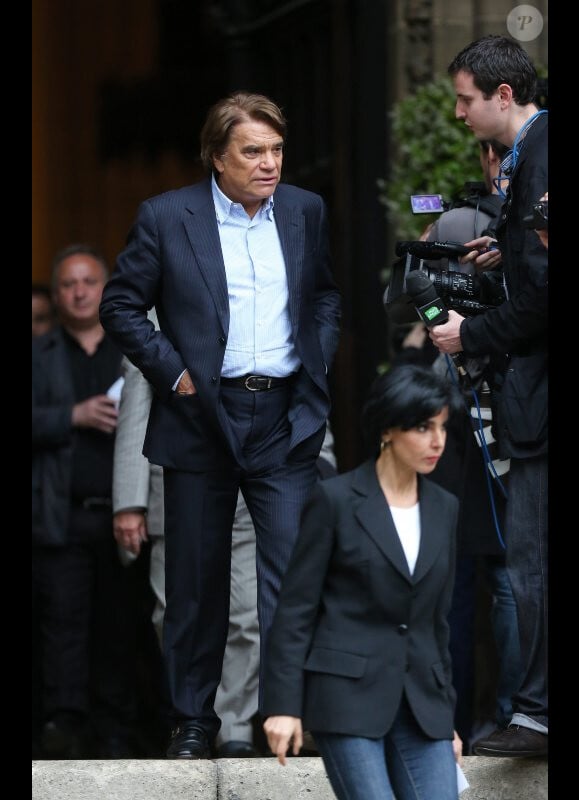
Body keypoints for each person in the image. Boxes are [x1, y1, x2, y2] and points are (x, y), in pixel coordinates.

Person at [99, 91, 342, 759]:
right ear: (216, 157)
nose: (270, 164)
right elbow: (121, 306)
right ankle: (194, 722)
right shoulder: (166, 217)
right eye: (253, 152)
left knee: (291, 575)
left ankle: (285, 716)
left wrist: (315, 364)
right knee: (195, 581)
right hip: (198, 414)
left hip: (284, 415)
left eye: (277, 151)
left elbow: (323, 295)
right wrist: (170, 370)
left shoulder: (303, 211)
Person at [262, 364, 463, 800]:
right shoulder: (334, 500)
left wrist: (445, 717)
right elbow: (296, 610)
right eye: (424, 427)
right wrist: (282, 705)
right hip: (346, 696)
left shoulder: (444, 508)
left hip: (422, 705)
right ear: (388, 429)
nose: (438, 441)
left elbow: (435, 623)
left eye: (443, 427)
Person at [428, 35, 548, 757]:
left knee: (531, 560)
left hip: (541, 397)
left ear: (504, 96)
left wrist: (469, 334)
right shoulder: (530, 159)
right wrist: (505, 244)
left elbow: (542, 299)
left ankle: (535, 714)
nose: (459, 114)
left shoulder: (537, 158)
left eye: (465, 100)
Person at [112, 312, 261, 758]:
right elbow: (137, 404)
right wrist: (128, 500)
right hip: (174, 487)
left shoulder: (258, 283)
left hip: (248, 484)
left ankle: (234, 730)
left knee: (247, 616)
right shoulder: (162, 305)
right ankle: (191, 719)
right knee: (175, 612)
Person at [32, 244, 139, 758]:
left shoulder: (134, 349)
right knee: (62, 627)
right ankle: (63, 727)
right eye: (69, 284)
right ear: (57, 295)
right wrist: (69, 416)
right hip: (61, 515)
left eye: (89, 282)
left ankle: (119, 730)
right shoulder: (39, 352)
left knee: (122, 625)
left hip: (127, 514)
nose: (79, 292)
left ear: (106, 288)